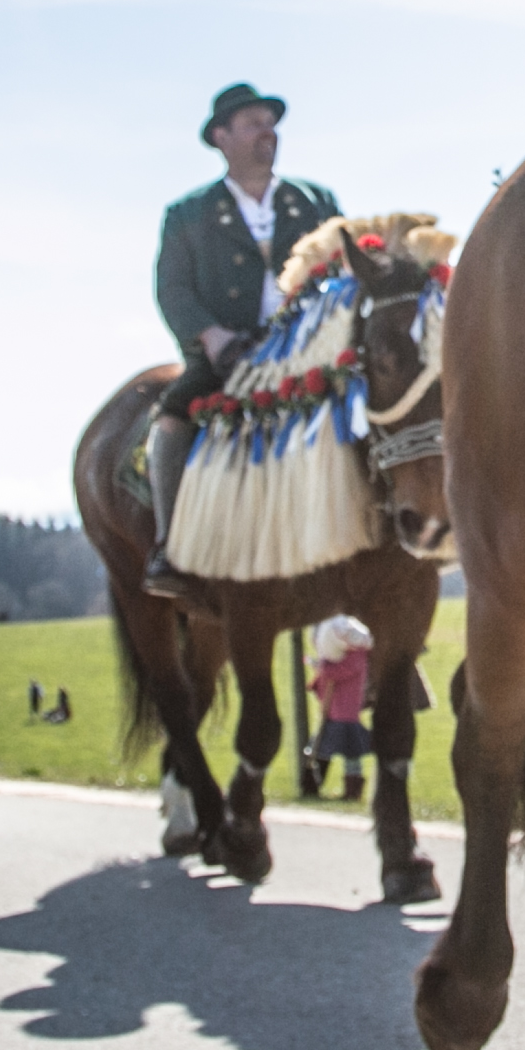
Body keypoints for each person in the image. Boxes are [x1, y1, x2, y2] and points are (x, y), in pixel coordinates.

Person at [144, 85, 339, 602]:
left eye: (269, 122)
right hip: (229, 355)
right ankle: (169, 545)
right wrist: (211, 336)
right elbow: (173, 288)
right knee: (174, 414)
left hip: (310, 348)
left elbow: (343, 271)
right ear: (221, 137)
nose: (266, 132)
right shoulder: (188, 214)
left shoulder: (315, 201)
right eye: (252, 122)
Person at [305, 613, 374, 802]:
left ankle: (352, 790)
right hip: (332, 712)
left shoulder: (356, 657)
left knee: (351, 752)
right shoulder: (337, 655)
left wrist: (323, 668)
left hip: (345, 713)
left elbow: (340, 672)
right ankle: (312, 785)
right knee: (319, 747)